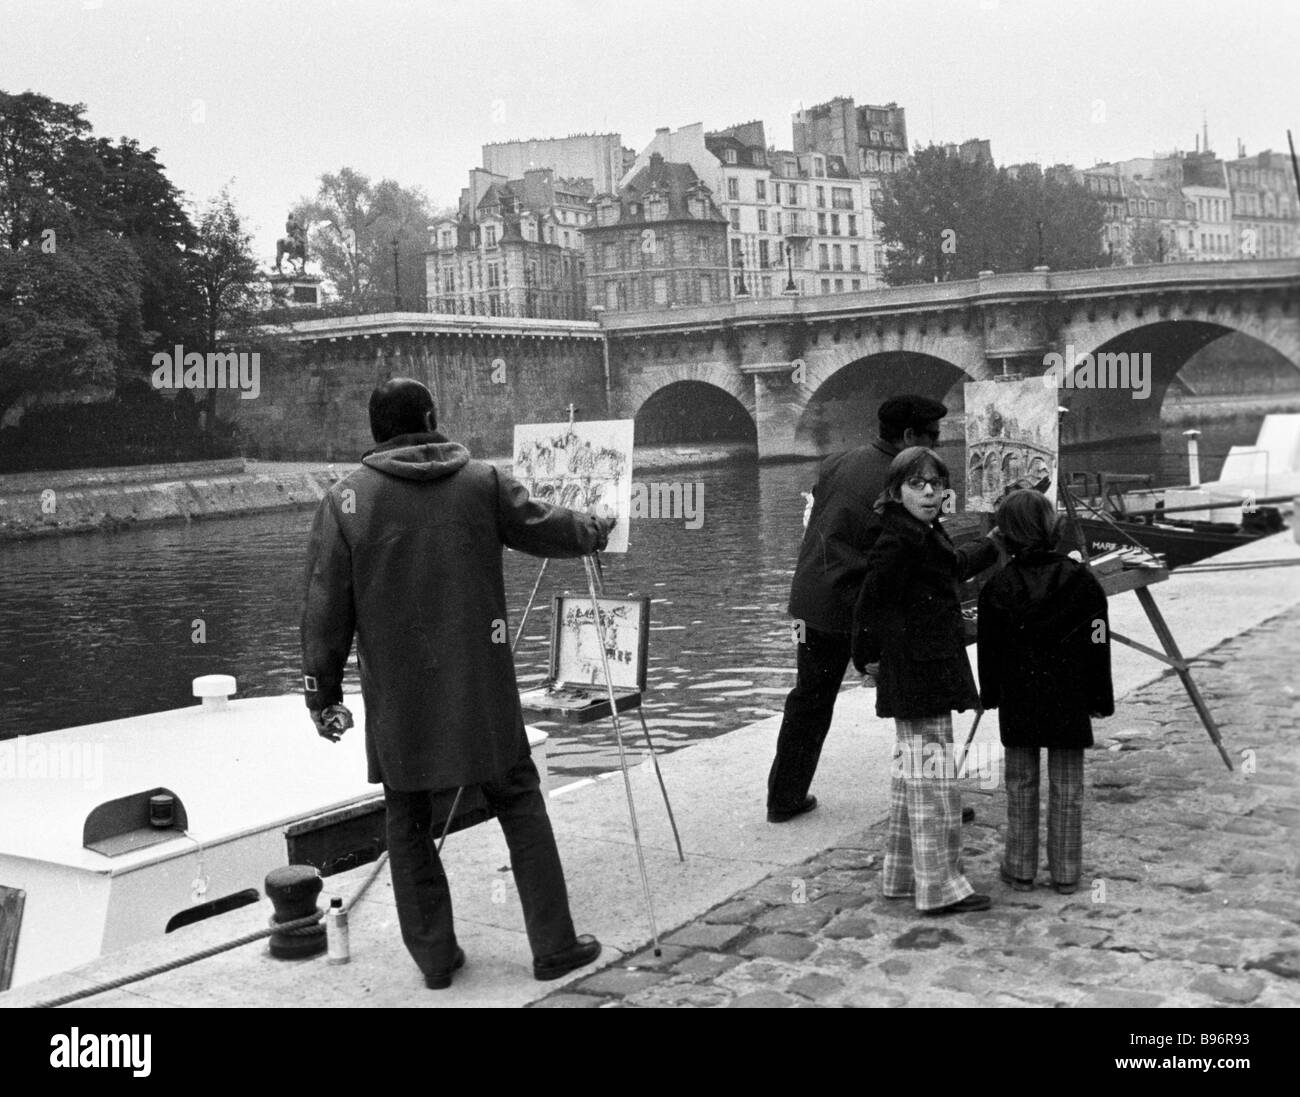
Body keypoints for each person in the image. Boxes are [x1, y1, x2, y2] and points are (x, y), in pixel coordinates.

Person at [300, 378, 616, 989]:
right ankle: (553, 946)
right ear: (432, 417)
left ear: (376, 432)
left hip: (399, 699)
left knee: (409, 820)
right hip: (482, 688)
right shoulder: (481, 483)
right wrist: (594, 527)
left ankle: (437, 962)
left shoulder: (346, 502)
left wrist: (324, 696)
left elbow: (323, 609)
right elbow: (543, 525)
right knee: (519, 802)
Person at [767, 394, 964, 824]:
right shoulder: (902, 483)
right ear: (910, 436)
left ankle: (784, 798)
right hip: (858, 605)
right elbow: (920, 551)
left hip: (811, 599)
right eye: (932, 438)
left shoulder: (838, 461)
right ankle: (933, 798)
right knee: (918, 698)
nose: (937, 448)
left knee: (810, 699)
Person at [852, 447, 1000, 915]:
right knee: (934, 783)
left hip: (924, 666)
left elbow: (950, 567)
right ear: (896, 491)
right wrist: (869, 659)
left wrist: (992, 543)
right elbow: (870, 603)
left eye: (937, 484)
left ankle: (900, 877)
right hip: (918, 670)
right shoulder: (898, 539)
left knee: (913, 776)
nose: (931, 492)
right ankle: (940, 888)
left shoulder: (919, 530)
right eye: (919, 484)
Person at [977, 488, 1113, 896]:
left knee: (1019, 783)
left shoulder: (997, 586)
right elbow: (1097, 642)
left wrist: (992, 695)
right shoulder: (1082, 581)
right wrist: (1099, 699)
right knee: (1068, 787)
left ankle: (1020, 869)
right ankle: (1067, 872)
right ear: (1050, 527)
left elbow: (990, 649)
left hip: (1020, 698)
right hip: (1069, 697)